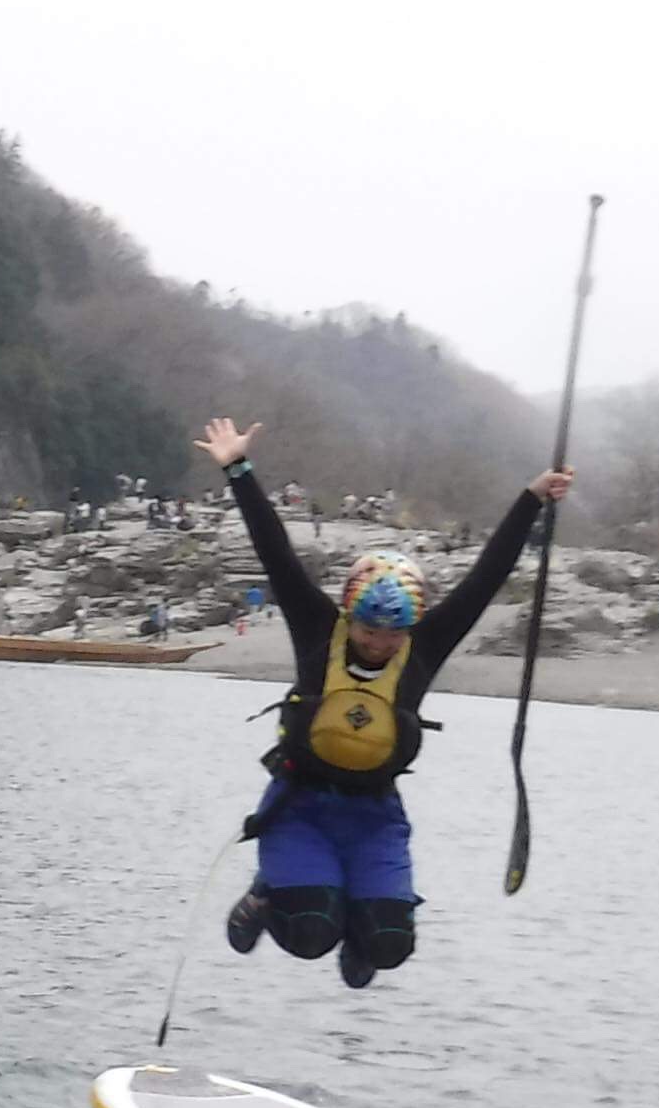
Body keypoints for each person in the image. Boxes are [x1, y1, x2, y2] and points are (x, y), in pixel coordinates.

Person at [198, 417, 575, 989]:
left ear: (410, 627)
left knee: (390, 944)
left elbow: (486, 578)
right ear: (352, 617)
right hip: (300, 805)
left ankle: (361, 928)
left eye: (392, 633)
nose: (379, 643)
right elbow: (275, 552)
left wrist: (531, 498)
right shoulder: (319, 630)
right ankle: (265, 896)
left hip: (374, 815)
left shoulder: (422, 649)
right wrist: (238, 468)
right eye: (370, 630)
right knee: (308, 933)